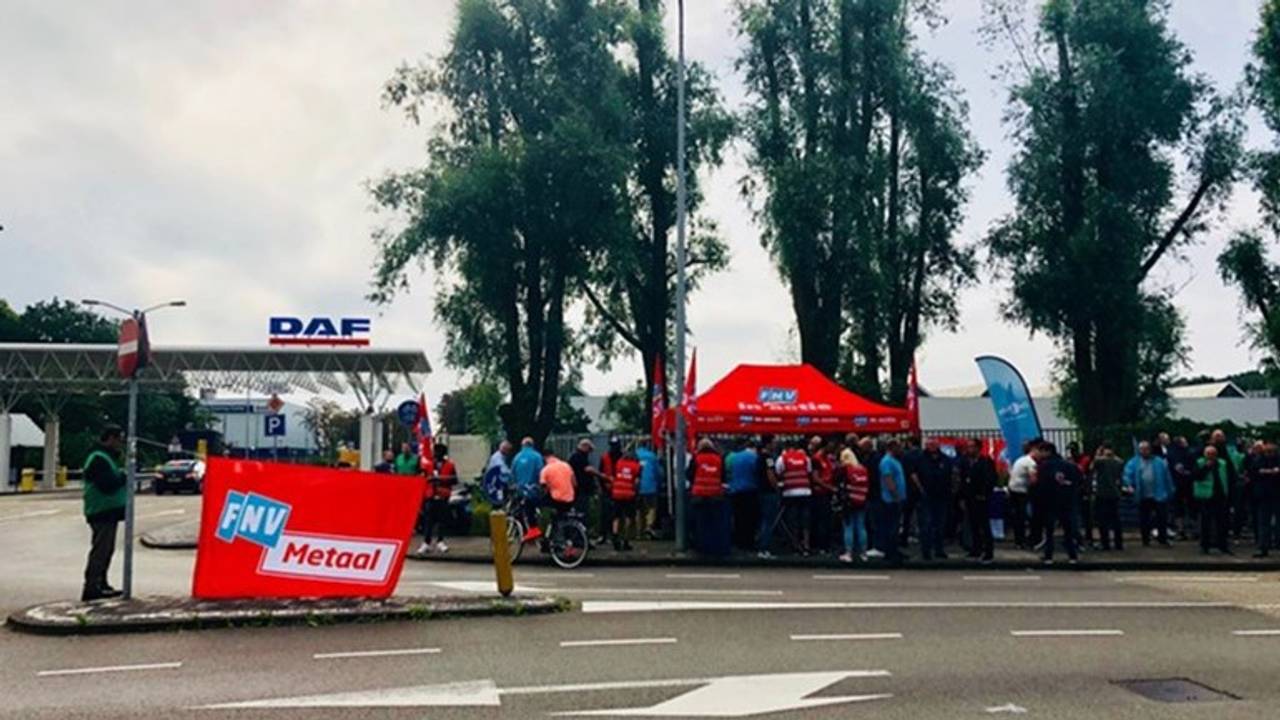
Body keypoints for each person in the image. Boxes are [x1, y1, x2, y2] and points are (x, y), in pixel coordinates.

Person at [82, 426, 126, 601]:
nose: (120, 444)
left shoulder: (106, 458)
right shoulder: (99, 459)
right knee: (101, 550)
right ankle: (92, 587)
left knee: (107, 549)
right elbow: (107, 484)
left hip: (106, 511)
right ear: (110, 438)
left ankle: (102, 583)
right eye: (119, 439)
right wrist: (123, 477)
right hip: (101, 510)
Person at [1033, 443, 1079, 565]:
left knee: (1049, 531)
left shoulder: (1043, 467)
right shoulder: (1069, 466)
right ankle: (1072, 556)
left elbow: (1040, 486)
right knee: (1068, 530)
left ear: (1047, 452)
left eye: (1041, 451)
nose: (1040, 454)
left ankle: (1049, 556)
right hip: (1066, 502)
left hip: (1050, 502)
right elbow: (1077, 482)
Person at [1123, 441, 1173, 547]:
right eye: (1142, 449)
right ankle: (1145, 540)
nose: (1144, 451)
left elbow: (1167, 477)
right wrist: (1129, 485)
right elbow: (1127, 475)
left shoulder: (1160, 462)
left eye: (1146, 449)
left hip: (1159, 494)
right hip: (1142, 495)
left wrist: (1170, 490)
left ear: (1150, 449)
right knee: (1144, 519)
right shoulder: (1134, 462)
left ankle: (1162, 539)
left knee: (1162, 518)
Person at [688, 439, 728, 556]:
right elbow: (723, 476)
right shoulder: (719, 459)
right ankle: (714, 548)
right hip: (715, 495)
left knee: (700, 523)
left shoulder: (696, 458)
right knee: (714, 523)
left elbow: (690, 474)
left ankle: (701, 548)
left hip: (699, 495)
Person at [958, 438, 996, 564]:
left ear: (978, 448)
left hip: (981, 497)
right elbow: (962, 480)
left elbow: (990, 479)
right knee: (973, 525)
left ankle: (988, 552)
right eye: (968, 447)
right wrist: (962, 497)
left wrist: (984, 493)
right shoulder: (965, 462)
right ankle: (976, 549)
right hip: (969, 497)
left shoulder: (985, 462)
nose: (969, 449)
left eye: (972, 447)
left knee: (984, 526)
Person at [916, 438, 954, 561]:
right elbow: (914, 475)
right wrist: (921, 490)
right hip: (926, 496)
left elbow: (951, 475)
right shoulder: (920, 459)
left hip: (941, 496)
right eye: (929, 444)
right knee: (926, 525)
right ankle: (926, 551)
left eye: (933, 444)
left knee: (940, 525)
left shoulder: (945, 459)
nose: (931, 446)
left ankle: (939, 549)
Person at [776, 439, 814, 554]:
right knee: (805, 520)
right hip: (805, 492)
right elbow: (809, 472)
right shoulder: (805, 458)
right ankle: (806, 544)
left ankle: (795, 545)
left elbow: (778, 473)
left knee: (793, 520)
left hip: (790, 492)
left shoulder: (782, 458)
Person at [417, 444, 457, 555]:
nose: (435, 454)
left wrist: (439, 479)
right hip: (430, 495)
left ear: (442, 453)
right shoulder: (429, 465)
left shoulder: (450, 465)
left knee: (441, 520)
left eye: (437, 452)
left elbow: (454, 479)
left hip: (443, 495)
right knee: (428, 520)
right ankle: (426, 542)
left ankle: (440, 541)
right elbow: (422, 477)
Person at [1196, 446, 1233, 555]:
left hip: (1220, 495)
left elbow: (1229, 477)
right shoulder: (1200, 463)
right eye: (1208, 454)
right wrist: (1206, 467)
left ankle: (1223, 546)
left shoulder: (1223, 463)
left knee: (1222, 523)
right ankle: (1205, 546)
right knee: (1205, 523)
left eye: (1213, 454)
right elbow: (1196, 476)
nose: (1210, 456)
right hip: (1206, 496)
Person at [835, 447, 870, 563]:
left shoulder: (845, 469)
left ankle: (848, 553)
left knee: (848, 527)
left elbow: (839, 483)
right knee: (861, 527)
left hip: (849, 501)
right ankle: (863, 554)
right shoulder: (863, 469)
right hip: (862, 500)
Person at [726, 439, 762, 552]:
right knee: (750, 519)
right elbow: (757, 473)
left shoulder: (735, 457)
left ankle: (739, 542)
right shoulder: (754, 457)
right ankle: (748, 542)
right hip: (750, 491)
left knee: (738, 518)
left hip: (735, 491)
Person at [876, 440, 907, 564]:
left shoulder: (895, 460)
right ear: (892, 447)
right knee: (891, 527)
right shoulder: (886, 461)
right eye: (899, 447)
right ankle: (890, 552)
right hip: (890, 500)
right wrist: (896, 496)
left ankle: (894, 550)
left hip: (896, 498)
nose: (901, 449)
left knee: (895, 526)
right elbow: (888, 480)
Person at [1091, 443, 1125, 551]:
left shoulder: (1100, 461)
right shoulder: (1119, 462)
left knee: (1103, 521)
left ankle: (1105, 544)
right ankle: (1118, 543)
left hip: (1102, 494)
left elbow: (1091, 467)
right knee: (1116, 520)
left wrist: (1097, 452)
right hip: (1115, 493)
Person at [539, 449, 577, 541]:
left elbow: (543, 486)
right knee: (564, 517)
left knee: (543, 508)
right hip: (570, 498)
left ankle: (547, 534)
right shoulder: (566, 465)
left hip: (556, 499)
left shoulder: (546, 469)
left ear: (544, 458)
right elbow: (575, 483)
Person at [1007, 440, 1038, 550]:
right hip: (1022, 492)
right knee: (1024, 516)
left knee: (1017, 517)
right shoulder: (1031, 462)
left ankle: (1018, 541)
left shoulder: (1019, 460)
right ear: (1033, 450)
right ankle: (1024, 540)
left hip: (1013, 490)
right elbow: (1034, 479)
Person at [809, 437, 837, 553]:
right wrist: (829, 487)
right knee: (821, 520)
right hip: (819, 493)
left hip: (827, 492)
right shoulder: (816, 459)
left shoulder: (827, 459)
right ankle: (820, 546)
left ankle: (826, 544)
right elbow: (815, 478)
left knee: (827, 520)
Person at [610, 447, 642, 551]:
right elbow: (637, 482)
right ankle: (625, 540)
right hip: (629, 494)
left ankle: (615, 537)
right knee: (628, 517)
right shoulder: (636, 466)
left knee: (616, 516)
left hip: (617, 493)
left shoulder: (619, 463)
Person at [1252, 441, 1280, 558]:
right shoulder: (1259, 459)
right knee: (1264, 522)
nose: (1270, 453)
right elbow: (1254, 472)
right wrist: (1271, 472)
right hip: (1264, 495)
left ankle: (1276, 544)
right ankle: (1264, 546)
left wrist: (1265, 472)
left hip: (1276, 494)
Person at [756, 436, 781, 558]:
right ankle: (764, 548)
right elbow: (770, 474)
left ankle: (762, 547)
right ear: (768, 444)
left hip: (761, 491)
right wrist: (777, 487)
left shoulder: (759, 457)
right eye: (774, 442)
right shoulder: (768, 458)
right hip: (769, 492)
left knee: (765, 519)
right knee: (768, 520)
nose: (775, 445)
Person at [1167, 435, 1195, 540]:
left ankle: (1181, 530)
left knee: (1179, 508)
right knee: (1190, 507)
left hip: (1176, 484)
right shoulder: (1189, 453)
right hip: (1186, 483)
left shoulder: (1171, 453)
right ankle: (1190, 530)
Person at [597, 437, 624, 545]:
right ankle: (604, 535)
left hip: (620, 488)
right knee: (605, 513)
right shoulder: (605, 457)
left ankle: (615, 535)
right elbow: (600, 473)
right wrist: (603, 486)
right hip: (608, 489)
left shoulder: (622, 458)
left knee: (617, 514)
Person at [635, 439, 663, 538]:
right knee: (652, 508)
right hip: (650, 486)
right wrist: (659, 483)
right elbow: (658, 473)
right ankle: (648, 526)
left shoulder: (635, 455)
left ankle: (638, 531)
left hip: (636, 487)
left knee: (638, 509)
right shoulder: (652, 456)